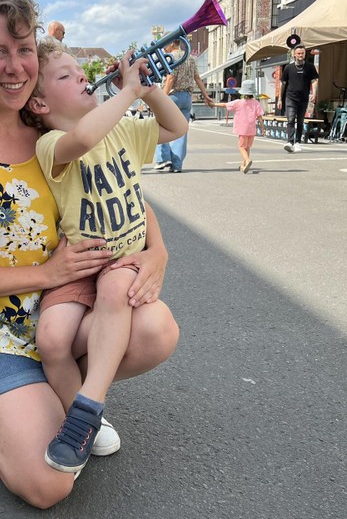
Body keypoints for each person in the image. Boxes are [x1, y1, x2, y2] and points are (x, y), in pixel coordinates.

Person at [0, 0, 178, 509]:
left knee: (156, 328)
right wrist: (49, 274)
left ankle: (72, 400)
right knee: (49, 484)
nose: (15, 66)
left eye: (25, 49)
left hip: (58, 319)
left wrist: (158, 251)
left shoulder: (54, 127)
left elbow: (124, 195)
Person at [22, 38, 187, 473]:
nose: (81, 75)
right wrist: (128, 92)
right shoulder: (51, 143)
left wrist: (149, 90)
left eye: (80, 70)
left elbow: (176, 128)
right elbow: (82, 138)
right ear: (39, 103)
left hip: (120, 261)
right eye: (65, 74)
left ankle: (86, 412)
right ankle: (72, 408)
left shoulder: (123, 128)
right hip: (79, 266)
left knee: (117, 286)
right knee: (52, 340)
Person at [152, 39, 213, 172]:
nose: (163, 49)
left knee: (160, 125)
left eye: (165, 45)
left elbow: (170, 78)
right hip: (186, 98)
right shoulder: (190, 58)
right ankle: (177, 165)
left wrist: (161, 97)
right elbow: (197, 78)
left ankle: (164, 158)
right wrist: (206, 95)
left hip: (172, 96)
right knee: (181, 131)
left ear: (172, 43)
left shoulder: (169, 58)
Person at [209, 79, 264, 173]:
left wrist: (213, 104)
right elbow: (260, 117)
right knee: (247, 147)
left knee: (242, 147)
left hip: (242, 129)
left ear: (243, 92)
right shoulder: (256, 103)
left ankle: (247, 160)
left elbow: (224, 105)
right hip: (251, 129)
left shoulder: (238, 102)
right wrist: (263, 129)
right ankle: (243, 165)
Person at [278, 44, 319, 153]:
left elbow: (314, 81)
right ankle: (290, 142)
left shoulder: (310, 67)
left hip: (304, 98)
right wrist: (280, 99)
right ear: (294, 54)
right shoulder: (288, 68)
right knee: (290, 119)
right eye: (298, 53)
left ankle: (297, 142)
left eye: (302, 53)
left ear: (305, 54)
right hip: (290, 97)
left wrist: (314, 94)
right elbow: (283, 83)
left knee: (300, 121)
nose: (300, 55)